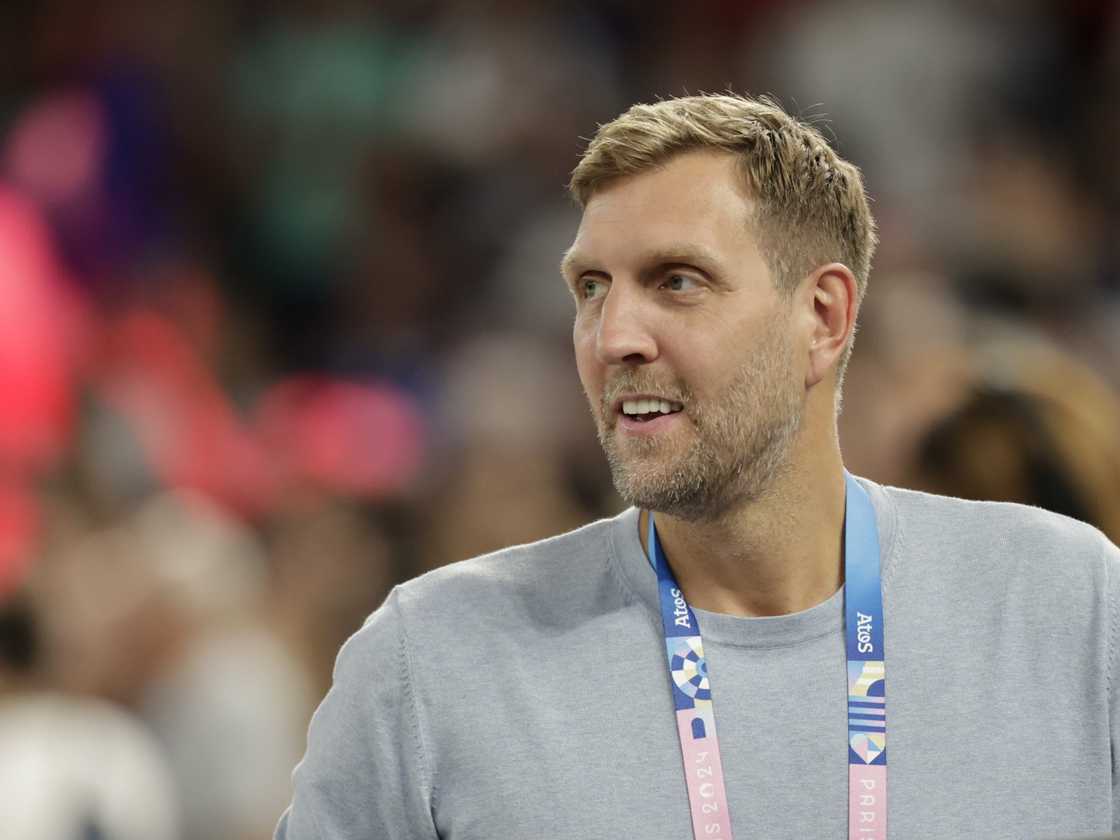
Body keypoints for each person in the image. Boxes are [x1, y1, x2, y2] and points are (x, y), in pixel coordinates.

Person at [275, 95, 1120, 839]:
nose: (613, 339)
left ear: (822, 317)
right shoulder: (431, 660)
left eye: (677, 282)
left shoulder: (1068, 605)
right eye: (592, 288)